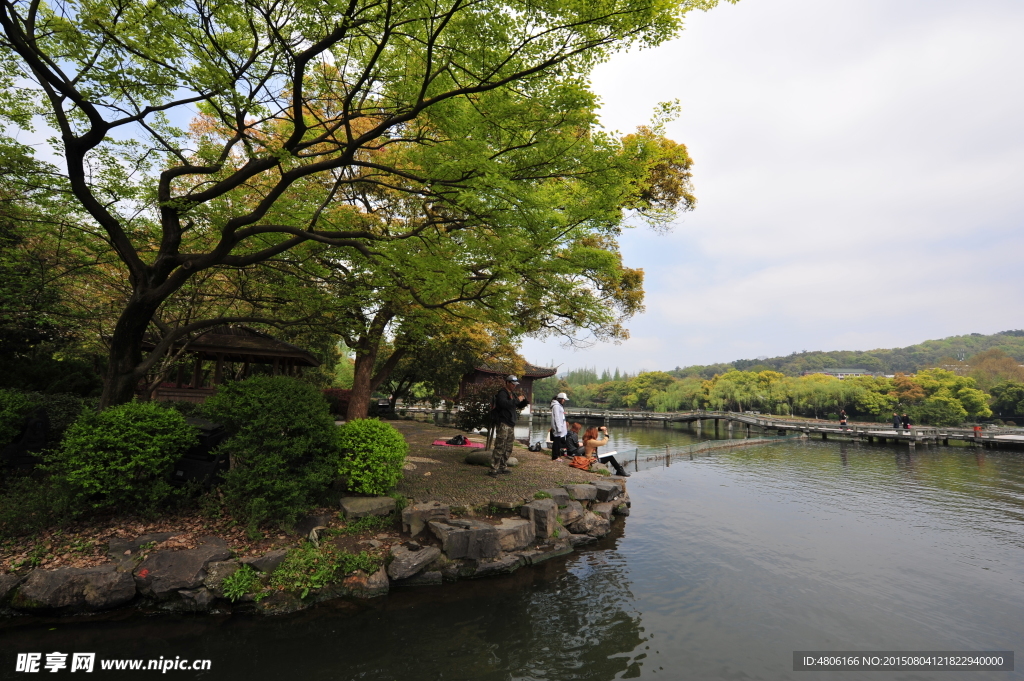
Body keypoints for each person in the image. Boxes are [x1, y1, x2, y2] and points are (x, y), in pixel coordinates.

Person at [489, 375, 529, 477]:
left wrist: (523, 402)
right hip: (503, 422)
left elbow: (516, 405)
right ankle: (493, 469)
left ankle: (503, 466)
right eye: (512, 383)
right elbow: (504, 404)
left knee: (508, 447)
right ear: (507, 382)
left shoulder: (512, 393)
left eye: (515, 384)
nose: (514, 386)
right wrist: (517, 400)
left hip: (510, 423)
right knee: (500, 446)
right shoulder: (502, 393)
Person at [550, 392, 569, 460]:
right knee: (556, 442)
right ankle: (555, 456)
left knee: (558, 441)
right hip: (558, 427)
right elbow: (557, 417)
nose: (564, 401)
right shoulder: (556, 406)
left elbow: (559, 415)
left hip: (560, 426)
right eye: (563, 399)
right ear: (561, 399)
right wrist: (559, 427)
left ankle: (557, 455)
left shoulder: (558, 405)